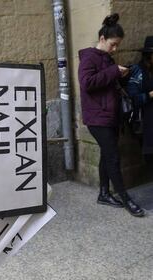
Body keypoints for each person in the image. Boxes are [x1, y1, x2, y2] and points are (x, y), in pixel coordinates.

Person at [78, 13, 145, 217]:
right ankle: (126, 200)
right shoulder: (89, 57)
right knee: (113, 157)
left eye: (117, 45)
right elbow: (87, 83)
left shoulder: (107, 59)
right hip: (97, 118)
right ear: (102, 39)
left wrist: (124, 74)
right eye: (113, 44)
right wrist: (114, 71)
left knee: (108, 155)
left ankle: (104, 193)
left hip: (110, 116)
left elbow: (107, 84)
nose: (115, 48)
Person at [126, 36, 153, 175]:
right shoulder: (137, 71)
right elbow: (132, 99)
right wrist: (149, 95)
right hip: (146, 122)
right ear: (149, 55)